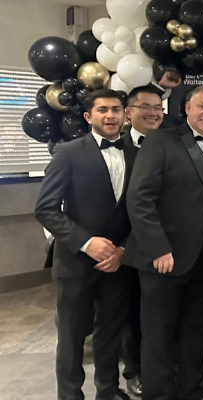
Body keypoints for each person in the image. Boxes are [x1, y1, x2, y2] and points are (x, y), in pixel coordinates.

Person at [124, 85, 203, 400]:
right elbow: (140, 198)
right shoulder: (161, 139)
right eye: (202, 107)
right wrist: (158, 247)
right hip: (164, 257)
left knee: (197, 329)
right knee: (158, 333)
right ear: (186, 108)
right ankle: (158, 394)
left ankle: (190, 388)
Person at [35, 89, 135, 400]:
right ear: (89, 116)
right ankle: (70, 395)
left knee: (110, 335)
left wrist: (123, 250)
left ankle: (108, 391)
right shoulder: (68, 152)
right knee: (72, 338)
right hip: (76, 264)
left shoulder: (137, 154)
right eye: (103, 110)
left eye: (116, 109)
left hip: (118, 264)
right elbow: (46, 209)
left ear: (125, 114)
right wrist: (87, 242)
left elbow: (143, 211)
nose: (110, 115)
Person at [120, 85, 166, 397]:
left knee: (158, 319)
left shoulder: (172, 144)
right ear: (129, 112)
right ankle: (133, 370)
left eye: (157, 107)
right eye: (144, 107)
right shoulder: (117, 149)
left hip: (166, 246)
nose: (152, 112)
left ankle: (162, 369)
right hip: (126, 247)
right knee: (131, 315)